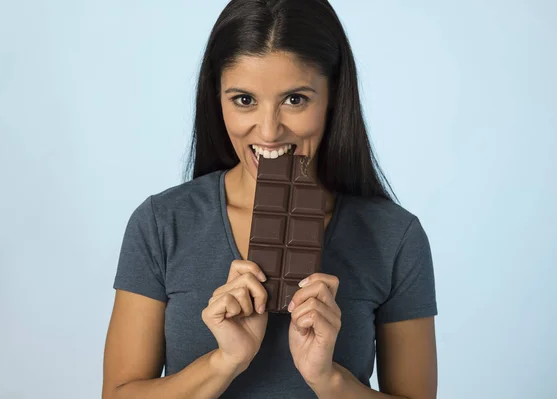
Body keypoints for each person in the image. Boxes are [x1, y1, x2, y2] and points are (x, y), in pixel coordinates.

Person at [102, 0, 438, 398]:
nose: (268, 130)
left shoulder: (394, 237)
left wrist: (328, 379)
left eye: (295, 99)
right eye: (244, 99)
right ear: (217, 99)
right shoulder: (162, 223)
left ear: (333, 97)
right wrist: (223, 362)